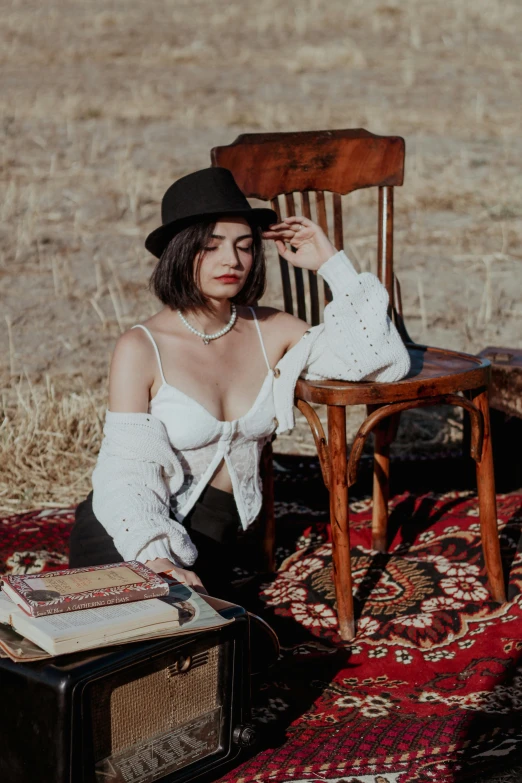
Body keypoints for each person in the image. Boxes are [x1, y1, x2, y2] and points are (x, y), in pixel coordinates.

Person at [69, 167, 411, 598]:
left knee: (212, 649)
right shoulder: (141, 347)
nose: (232, 260)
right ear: (180, 251)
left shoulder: (274, 330)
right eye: (211, 246)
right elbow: (127, 472)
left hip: (213, 533)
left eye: (245, 247)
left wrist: (330, 263)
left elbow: (381, 361)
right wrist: (154, 556)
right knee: (122, 639)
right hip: (131, 529)